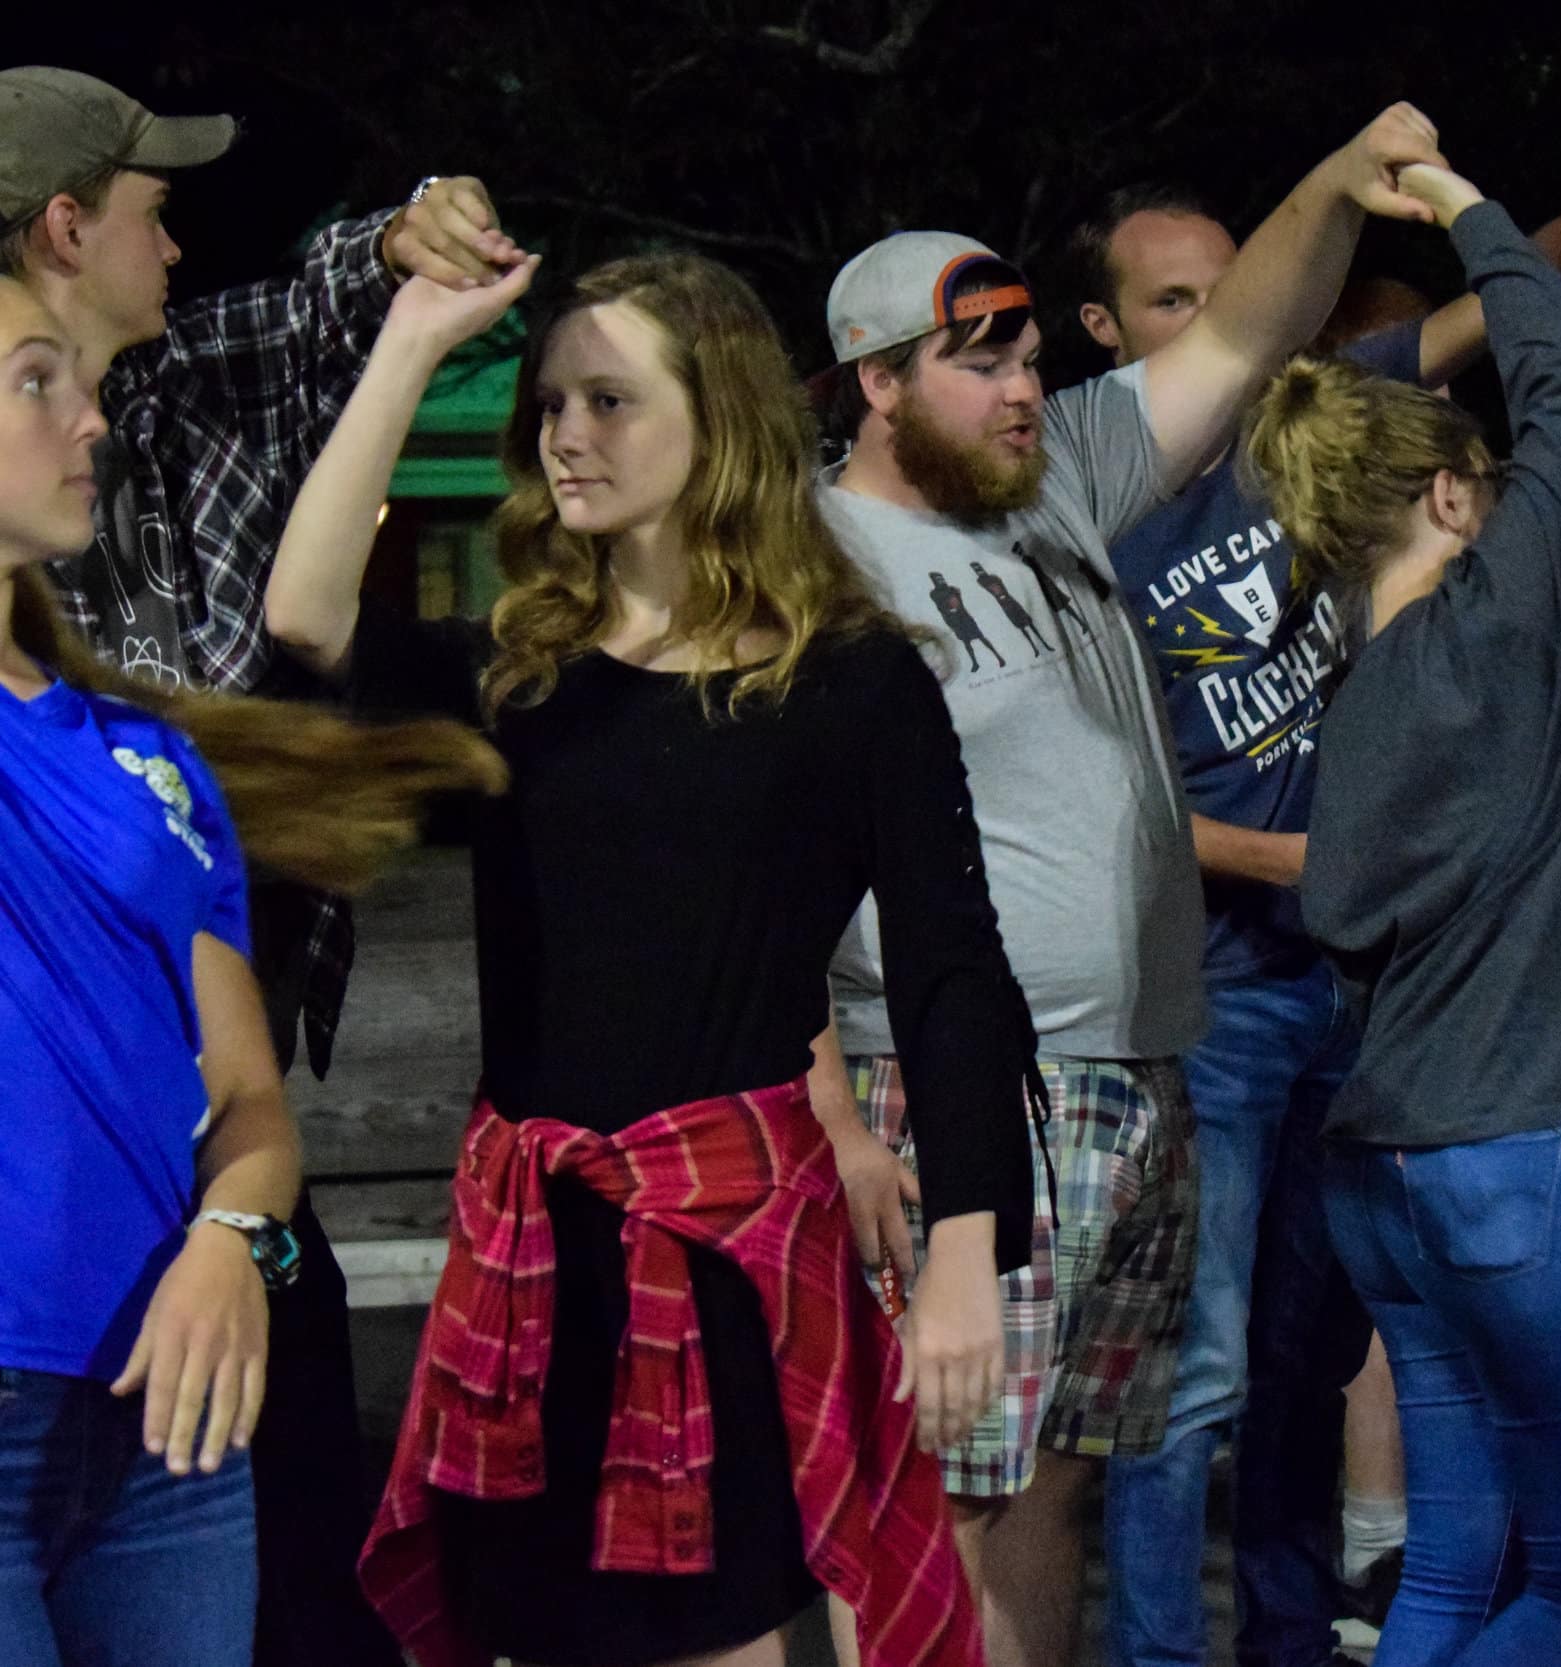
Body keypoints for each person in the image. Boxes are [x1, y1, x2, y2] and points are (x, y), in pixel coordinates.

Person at [260, 251, 1037, 1667]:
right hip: (529, 1261)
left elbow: (952, 970)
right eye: (552, 403)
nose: (566, 433)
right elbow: (307, 620)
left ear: (721, 421)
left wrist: (970, 1253)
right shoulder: (520, 671)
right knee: (535, 1628)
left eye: (609, 399)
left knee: (716, 1630)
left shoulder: (851, 680)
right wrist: (416, 341)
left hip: (729, 1255)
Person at [805, 104, 1457, 1667]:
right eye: (981, 360)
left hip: (1133, 1064)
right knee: (947, 1484)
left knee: (1061, 1477)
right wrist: (832, 1112)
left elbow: (1245, 334)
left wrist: (1336, 179)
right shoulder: (811, 563)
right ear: (878, 382)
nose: (1026, 384)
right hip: (954, 1080)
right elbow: (759, 871)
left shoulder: (1060, 480)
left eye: (1031, 351)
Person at [1064, 167, 1561, 1667]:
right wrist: (1473, 207)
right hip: (1539, 1153)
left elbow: (1346, 901)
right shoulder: (1504, 618)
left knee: (1448, 1572)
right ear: (1443, 493)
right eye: (1486, 486)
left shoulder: (1351, 709)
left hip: (1394, 1165)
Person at [1, 64, 522, 1665]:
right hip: (49, 1304)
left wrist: (404, 256)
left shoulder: (176, 422)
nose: (181, 244)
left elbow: (315, 305)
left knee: (304, 1561)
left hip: (201, 1209)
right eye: (153, 208)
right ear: (67, 225)